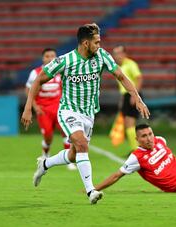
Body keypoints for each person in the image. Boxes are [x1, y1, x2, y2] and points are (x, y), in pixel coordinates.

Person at [21, 23, 150, 205]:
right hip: (69, 111)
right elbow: (38, 81)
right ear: (85, 43)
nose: (99, 45)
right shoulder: (65, 61)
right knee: (82, 144)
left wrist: (136, 97)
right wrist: (28, 108)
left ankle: (44, 164)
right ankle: (91, 191)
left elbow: (120, 76)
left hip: (89, 114)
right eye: (96, 42)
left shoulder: (102, 56)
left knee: (74, 154)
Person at [25, 48, 76, 171]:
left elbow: (66, 87)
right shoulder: (36, 72)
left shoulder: (61, 70)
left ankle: (69, 161)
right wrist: (35, 106)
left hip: (59, 108)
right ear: (43, 58)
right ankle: (45, 155)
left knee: (67, 133)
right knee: (48, 136)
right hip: (44, 110)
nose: (50, 58)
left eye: (53, 56)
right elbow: (28, 89)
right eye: (47, 56)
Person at [112, 45, 143, 151]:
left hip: (132, 95)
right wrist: (122, 99)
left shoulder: (130, 64)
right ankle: (135, 149)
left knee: (130, 122)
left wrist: (136, 96)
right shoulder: (117, 66)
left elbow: (138, 78)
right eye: (115, 53)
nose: (116, 56)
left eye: (119, 53)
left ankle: (136, 150)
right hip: (126, 95)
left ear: (124, 54)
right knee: (127, 123)